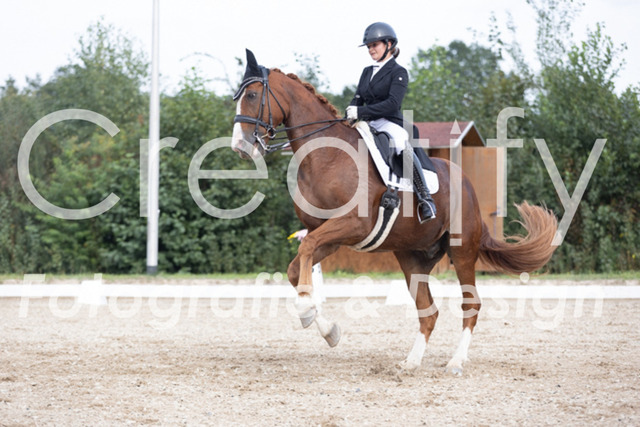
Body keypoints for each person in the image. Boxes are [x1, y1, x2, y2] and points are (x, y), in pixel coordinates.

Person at [346, 22, 436, 223]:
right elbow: (357, 98)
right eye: (368, 46)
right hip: (368, 123)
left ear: (388, 44)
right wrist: (350, 114)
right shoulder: (367, 72)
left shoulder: (398, 72)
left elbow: (392, 103)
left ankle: (425, 198)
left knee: (400, 141)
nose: (371, 50)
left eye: (374, 45)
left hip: (389, 121)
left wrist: (361, 111)